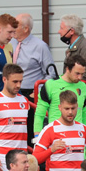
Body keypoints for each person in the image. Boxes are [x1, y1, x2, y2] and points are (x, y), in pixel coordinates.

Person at [32, 90, 86, 171]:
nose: (70, 112)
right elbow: (35, 159)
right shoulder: (49, 129)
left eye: (73, 108)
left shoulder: (83, 129)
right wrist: (51, 150)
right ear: (59, 107)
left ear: (77, 106)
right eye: (66, 108)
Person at [11, 13, 55, 147]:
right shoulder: (10, 43)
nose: (12, 27)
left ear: (26, 29)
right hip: (12, 94)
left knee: (30, 132)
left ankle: (32, 164)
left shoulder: (40, 46)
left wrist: (38, 91)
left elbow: (51, 74)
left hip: (29, 95)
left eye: (16, 24)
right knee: (14, 130)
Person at [0, 63, 30, 171]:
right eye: (15, 81)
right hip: (2, 156)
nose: (18, 85)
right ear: (4, 79)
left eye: (20, 81)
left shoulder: (24, 101)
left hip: (21, 155)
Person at [58, 14, 86, 133]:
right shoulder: (75, 46)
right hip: (77, 99)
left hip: (85, 101)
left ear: (71, 31)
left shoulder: (84, 46)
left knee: (84, 136)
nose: (59, 31)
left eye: (61, 28)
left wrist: (69, 79)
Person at [33, 53, 86, 136]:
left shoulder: (83, 86)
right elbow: (40, 114)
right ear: (67, 69)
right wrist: (37, 136)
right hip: (56, 138)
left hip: (77, 138)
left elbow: (84, 113)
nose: (80, 77)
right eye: (77, 73)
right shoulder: (50, 85)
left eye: (82, 74)